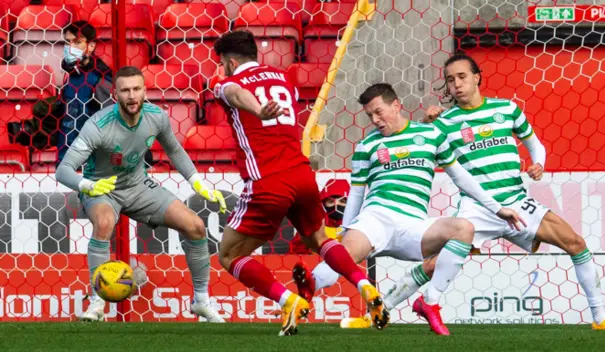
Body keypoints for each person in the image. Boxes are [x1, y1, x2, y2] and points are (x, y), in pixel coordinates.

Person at [341, 53, 605, 331]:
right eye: (450, 80)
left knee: (576, 243)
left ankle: (599, 317)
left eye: (462, 77)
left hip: (516, 201)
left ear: (477, 77)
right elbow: (413, 136)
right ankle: (375, 314)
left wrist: (538, 162)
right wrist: (428, 121)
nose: (456, 84)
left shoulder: (506, 109)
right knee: (433, 265)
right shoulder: (444, 123)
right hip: (476, 208)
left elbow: (534, 144)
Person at [292, 83, 525, 335]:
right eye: (370, 115)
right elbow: (357, 193)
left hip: (413, 226)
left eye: (379, 112)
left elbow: (463, 178)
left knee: (465, 229)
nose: (375, 120)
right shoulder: (366, 146)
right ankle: (305, 290)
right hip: (375, 219)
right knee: (344, 253)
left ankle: (430, 302)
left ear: (396, 105)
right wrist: (346, 228)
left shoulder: (430, 136)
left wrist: (497, 208)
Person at [212, 30, 388, 336]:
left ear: (228, 62)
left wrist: (255, 109)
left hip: (267, 181)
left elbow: (236, 95)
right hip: (303, 175)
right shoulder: (284, 79)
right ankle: (365, 286)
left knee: (230, 254)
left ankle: (288, 300)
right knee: (320, 240)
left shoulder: (229, 83)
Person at [55, 66, 227, 323]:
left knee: (196, 226)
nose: (132, 95)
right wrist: (88, 186)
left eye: (137, 89)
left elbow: (175, 151)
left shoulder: (156, 117)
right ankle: (97, 302)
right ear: (115, 94)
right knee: (103, 223)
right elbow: (63, 170)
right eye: (125, 90)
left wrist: (197, 183)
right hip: (103, 189)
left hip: (138, 186)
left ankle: (201, 301)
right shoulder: (98, 126)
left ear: (145, 91)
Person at [57, 20, 114, 164]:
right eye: (67, 42)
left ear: (91, 46)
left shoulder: (99, 80)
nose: (70, 47)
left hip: (91, 164)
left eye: (77, 42)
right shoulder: (72, 75)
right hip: (67, 160)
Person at [289, 178, 350, 254]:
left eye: (342, 201)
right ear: (323, 203)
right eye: (331, 201)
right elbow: (296, 251)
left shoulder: (355, 224)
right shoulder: (314, 223)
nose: (336, 204)